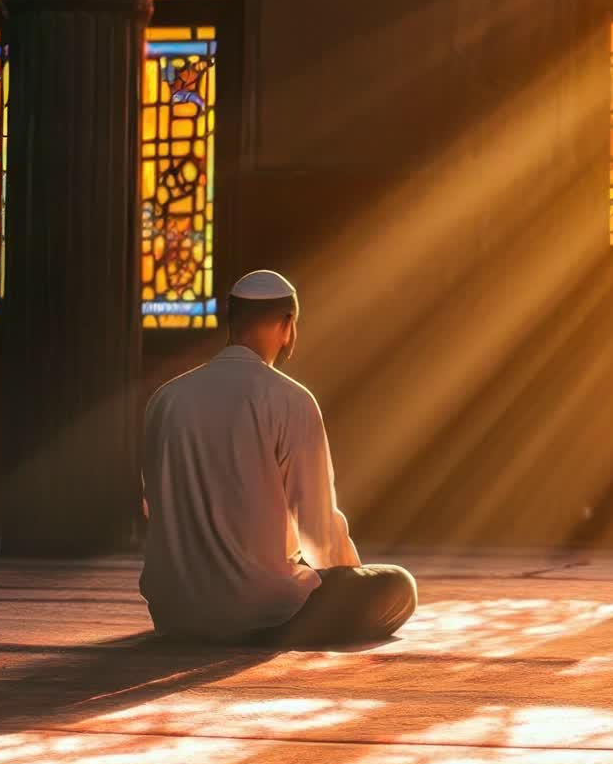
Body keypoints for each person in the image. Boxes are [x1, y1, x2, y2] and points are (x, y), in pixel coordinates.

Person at [139, 270, 417, 646]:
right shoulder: (290, 399)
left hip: (175, 612)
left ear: (231, 322)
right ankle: (270, 629)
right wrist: (345, 581)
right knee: (399, 586)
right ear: (288, 325)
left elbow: (154, 507)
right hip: (260, 611)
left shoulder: (165, 400)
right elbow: (318, 529)